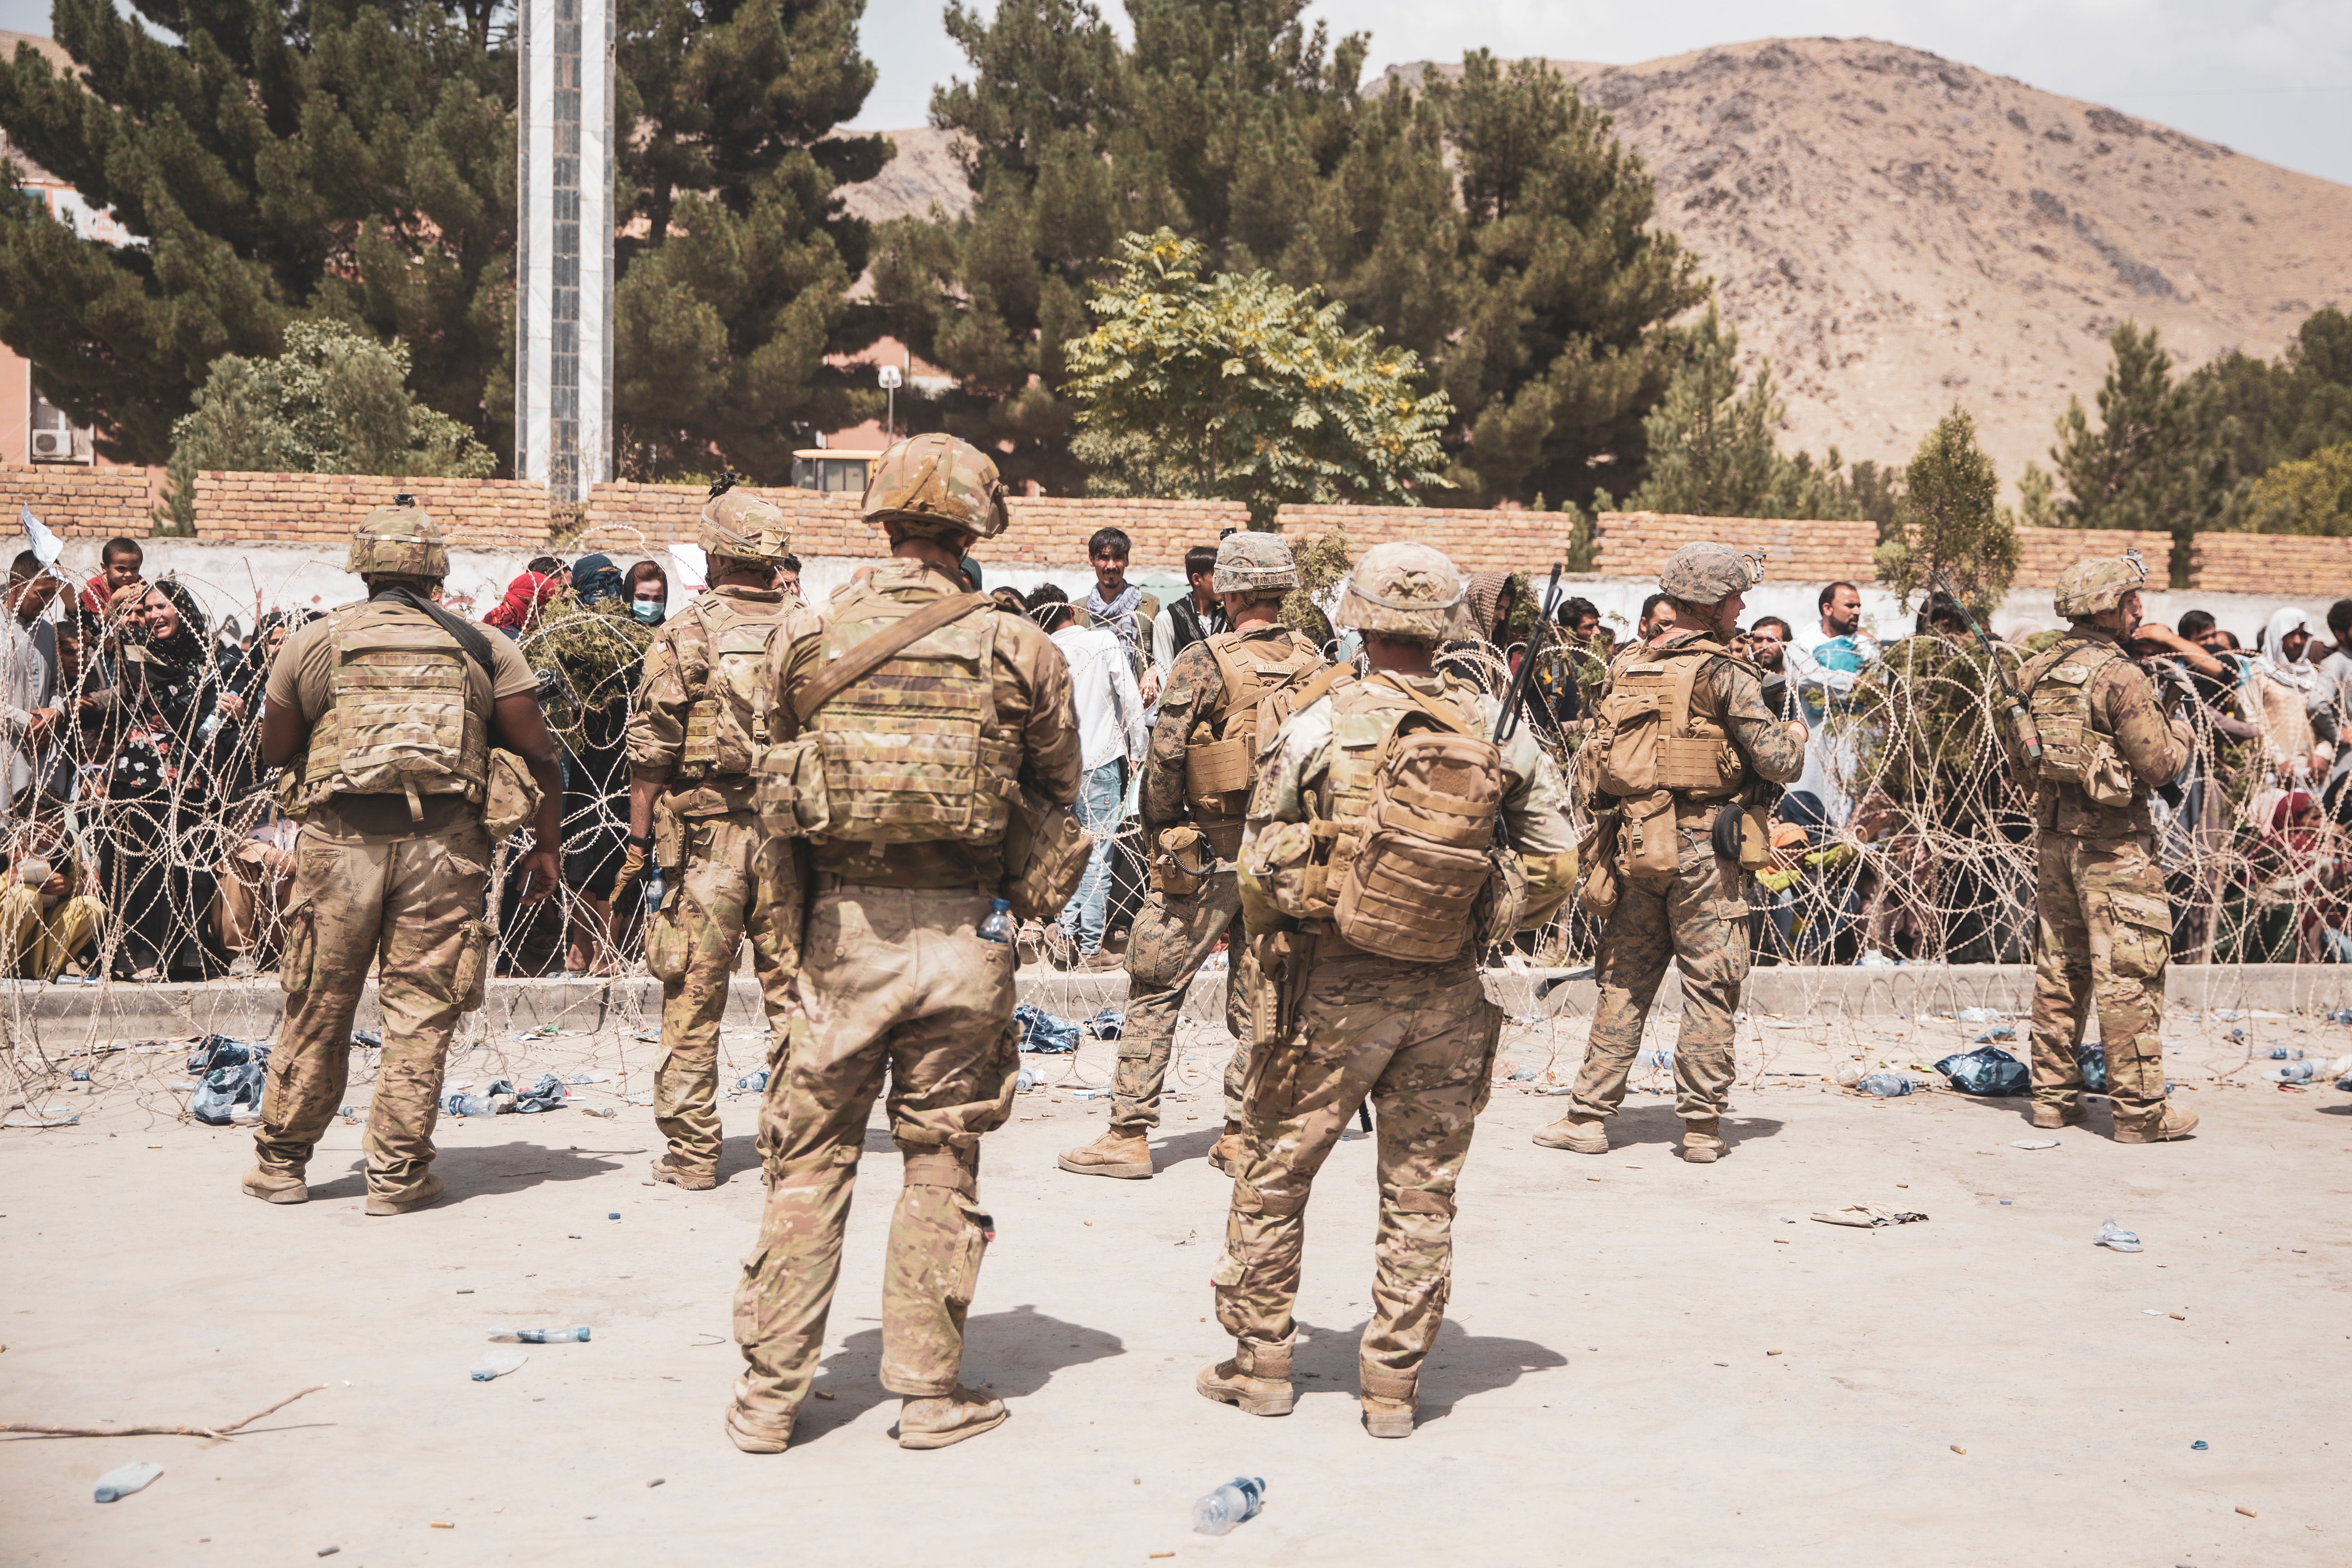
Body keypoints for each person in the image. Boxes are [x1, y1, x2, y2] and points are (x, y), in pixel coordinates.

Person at [729, 432, 1081, 1455]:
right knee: (940, 1160)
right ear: (976, 528)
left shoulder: (807, 634)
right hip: (966, 936)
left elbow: (770, 767)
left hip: (840, 935)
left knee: (809, 1159)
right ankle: (928, 1395)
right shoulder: (1018, 645)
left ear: (881, 519)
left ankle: (769, 1399)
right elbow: (1060, 783)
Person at [1202, 541, 1578, 1441]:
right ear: (1444, 627)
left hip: (1329, 988)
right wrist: (1476, 916)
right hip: (1448, 993)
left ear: (1357, 621)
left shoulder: (1319, 721)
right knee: (1421, 1194)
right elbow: (1559, 862)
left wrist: (1298, 926)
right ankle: (1391, 1388)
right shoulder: (1493, 725)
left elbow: (1256, 867)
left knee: (1273, 1173)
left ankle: (1262, 1366)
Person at [244, 499, 564, 1214]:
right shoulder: (485, 647)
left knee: (317, 1005)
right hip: (445, 850)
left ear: (362, 568)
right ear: (435, 572)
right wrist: (547, 847)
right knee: (420, 1013)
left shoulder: (314, 642)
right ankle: (395, 1177)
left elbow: (276, 750)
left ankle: (281, 1165)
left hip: (339, 846)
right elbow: (540, 755)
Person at [1059, 532, 1329, 1182]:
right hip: (1283, 855)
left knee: (1156, 984)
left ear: (1229, 591)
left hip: (1206, 855)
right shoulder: (1313, 661)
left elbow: (1165, 759)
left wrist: (1162, 833)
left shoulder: (1203, 660)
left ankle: (1128, 1135)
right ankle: (1240, 1132)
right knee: (1264, 992)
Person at [1537, 544, 1807, 1163]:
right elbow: (1777, 762)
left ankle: (1586, 1117)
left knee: (1623, 982)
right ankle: (1702, 1128)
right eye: (1735, 599)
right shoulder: (1725, 672)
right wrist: (1794, 733)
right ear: (1710, 604)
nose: (1741, 610)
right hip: (1705, 851)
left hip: (1636, 843)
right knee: (1711, 984)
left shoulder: (1628, 664)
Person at [617, 484, 815, 1191]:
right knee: (794, 1000)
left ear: (718, 555)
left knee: (693, 993)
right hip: (793, 839)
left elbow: (652, 750)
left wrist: (638, 843)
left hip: (707, 843)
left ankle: (692, 1154)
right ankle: (792, 1152)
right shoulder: (812, 629)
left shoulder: (687, 630)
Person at [2013, 555, 2198, 1142]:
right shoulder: (2121, 676)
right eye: (2129, 600)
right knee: (2128, 974)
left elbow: (2020, 763)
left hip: (2055, 840)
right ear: (2105, 608)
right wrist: (2183, 731)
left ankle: (2052, 1100)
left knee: (2060, 971)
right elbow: (2159, 764)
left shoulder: (2034, 671)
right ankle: (2141, 1114)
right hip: (2114, 849)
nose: (2137, 610)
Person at [92, 579, 229, 980]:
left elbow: (226, 700)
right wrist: (116, 604)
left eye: (162, 606)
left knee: (183, 868)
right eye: (148, 608)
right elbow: (108, 641)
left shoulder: (209, 656)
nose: (153, 615)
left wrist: (231, 706)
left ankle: (181, 957)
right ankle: (136, 958)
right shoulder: (137, 650)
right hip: (140, 775)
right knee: (140, 869)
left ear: (181, 610)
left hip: (189, 776)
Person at [1028, 582, 1145, 968]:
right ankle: (1090, 947)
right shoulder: (1103, 641)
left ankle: (1066, 935)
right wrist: (1139, 750)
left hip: (1057, 770)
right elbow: (1131, 700)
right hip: (1100, 765)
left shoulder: (1042, 654)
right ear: (1074, 612)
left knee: (1067, 854)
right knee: (1097, 858)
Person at [1, 551, 66, 811]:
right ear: (16, 586)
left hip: (44, 754)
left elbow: (57, 685)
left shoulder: (47, 632)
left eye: (53, 596)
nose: (48, 603)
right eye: (42, 594)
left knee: (43, 830)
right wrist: (29, 722)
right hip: (7, 751)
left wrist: (56, 712)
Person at [1078, 526, 1161, 701]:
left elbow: (1164, 656)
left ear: (1127, 560)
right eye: (1104, 558)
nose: (1111, 566)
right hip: (1093, 705)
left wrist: (1153, 672)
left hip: (1138, 706)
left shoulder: (1148, 606)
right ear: (1092, 560)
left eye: (1118, 558)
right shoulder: (1077, 612)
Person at [1154, 543, 1230, 670]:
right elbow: (1164, 670)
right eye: (1216, 576)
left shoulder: (1228, 618)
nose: (1223, 582)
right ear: (1197, 579)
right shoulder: (1169, 619)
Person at [79, 536, 143, 621]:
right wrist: (116, 599)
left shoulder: (140, 582)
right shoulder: (94, 587)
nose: (129, 574)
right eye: (121, 569)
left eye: (134, 569)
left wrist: (146, 593)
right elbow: (97, 625)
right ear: (105, 567)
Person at [485, 566, 562, 636]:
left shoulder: (493, 621)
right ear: (531, 606)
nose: (546, 615)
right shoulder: (516, 638)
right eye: (545, 608)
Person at [626, 560, 668, 627]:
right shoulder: (612, 628)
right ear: (629, 596)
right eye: (642, 598)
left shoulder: (672, 632)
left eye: (658, 599)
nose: (651, 604)